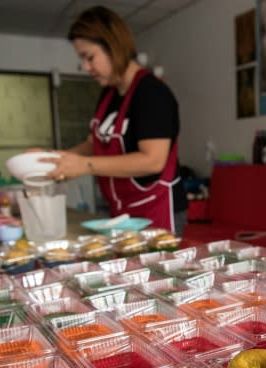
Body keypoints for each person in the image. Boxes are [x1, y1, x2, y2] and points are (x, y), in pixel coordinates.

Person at [41, 6, 184, 233]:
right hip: (121, 214)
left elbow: (152, 160)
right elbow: (92, 143)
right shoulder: (109, 95)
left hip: (155, 212)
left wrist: (85, 166)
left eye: (90, 57)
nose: (86, 67)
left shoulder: (151, 93)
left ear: (113, 46)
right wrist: (53, 159)